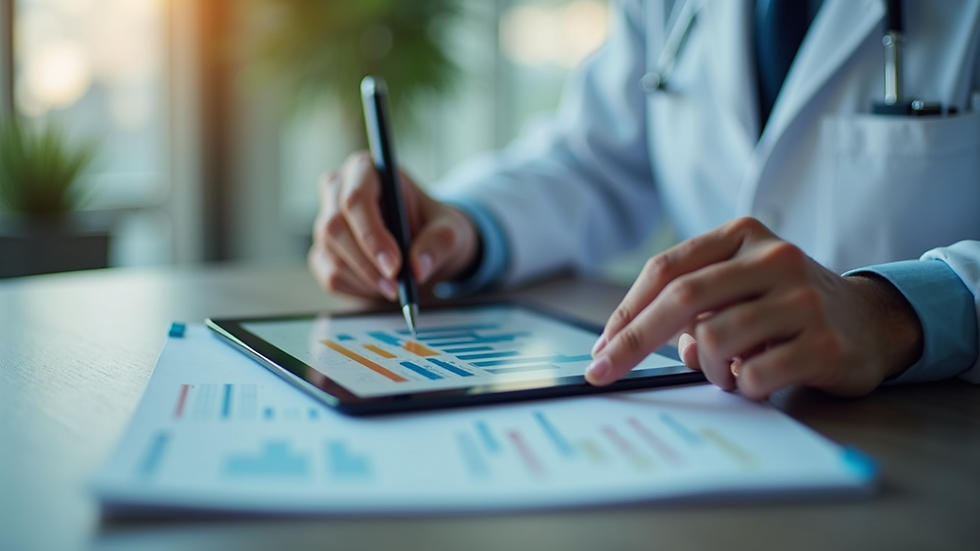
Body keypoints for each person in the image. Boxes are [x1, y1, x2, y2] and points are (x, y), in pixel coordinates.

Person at [308, 0, 980, 399]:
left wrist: (898, 312)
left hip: (932, 431)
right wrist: (460, 227)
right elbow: (596, 157)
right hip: (725, 407)